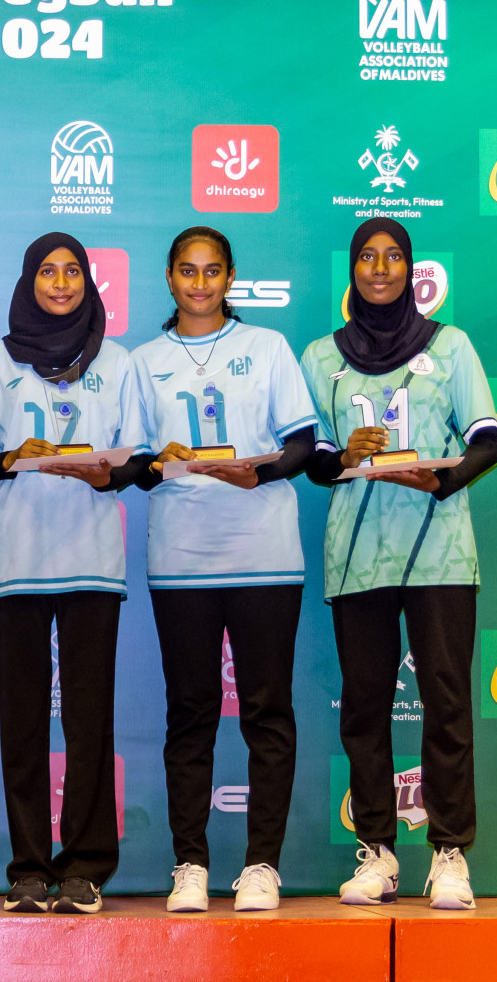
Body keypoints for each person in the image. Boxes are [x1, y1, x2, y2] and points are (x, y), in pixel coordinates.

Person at [301, 217, 497, 911]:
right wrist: (347, 456)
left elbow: (487, 439)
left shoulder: (451, 346)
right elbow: (316, 461)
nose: (380, 268)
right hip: (358, 557)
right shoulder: (321, 356)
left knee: (446, 701)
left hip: (441, 551)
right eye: (367, 257)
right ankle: (379, 853)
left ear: (411, 270)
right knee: (364, 707)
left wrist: (442, 481)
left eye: (393, 257)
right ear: (351, 270)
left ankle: (448, 854)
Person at [130, 227, 317, 912]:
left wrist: (258, 469)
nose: (200, 283)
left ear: (230, 278)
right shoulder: (143, 360)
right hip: (181, 560)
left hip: (265, 555)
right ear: (170, 278)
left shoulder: (266, 348)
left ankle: (262, 865)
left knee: (267, 711)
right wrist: (156, 461)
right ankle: (190, 864)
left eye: (212, 272)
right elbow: (136, 470)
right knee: (191, 713)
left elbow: (302, 444)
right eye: (188, 271)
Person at [0, 233, 150, 914]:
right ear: (28, 280)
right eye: (47, 270)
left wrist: (108, 473)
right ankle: (27, 868)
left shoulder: (120, 361)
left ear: (87, 283)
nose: (61, 282)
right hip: (16, 561)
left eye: (73, 271)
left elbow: (138, 461)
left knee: (88, 723)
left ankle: (84, 867)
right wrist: (16, 454)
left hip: (92, 564)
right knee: (21, 724)